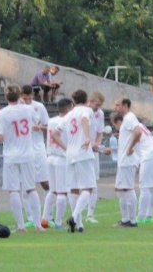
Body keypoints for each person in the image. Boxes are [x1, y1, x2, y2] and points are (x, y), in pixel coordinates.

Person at [0, 85, 43, 233]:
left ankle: (21, 225)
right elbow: (38, 120)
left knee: (14, 190)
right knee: (31, 188)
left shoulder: (2, 113)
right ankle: (38, 224)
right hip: (28, 153)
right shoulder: (28, 109)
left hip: (11, 155)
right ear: (19, 96)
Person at [59, 89, 95, 233]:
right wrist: (87, 137)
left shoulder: (68, 115)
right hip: (83, 153)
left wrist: (66, 147)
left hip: (70, 154)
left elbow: (56, 133)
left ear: (73, 101)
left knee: (73, 188)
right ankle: (74, 216)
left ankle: (79, 225)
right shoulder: (86, 110)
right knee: (88, 188)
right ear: (86, 100)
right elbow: (85, 119)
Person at [125, 101, 153, 225]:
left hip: (149, 155)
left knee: (145, 187)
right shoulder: (141, 125)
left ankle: (141, 216)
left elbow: (131, 146)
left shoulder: (132, 128)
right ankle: (149, 216)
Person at [20, 85, 50, 226]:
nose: (27, 101)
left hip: (39, 149)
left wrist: (40, 128)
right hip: (25, 149)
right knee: (26, 184)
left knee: (45, 182)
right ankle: (30, 217)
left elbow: (48, 125)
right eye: (24, 98)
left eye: (29, 98)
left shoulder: (39, 107)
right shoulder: (17, 109)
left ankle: (47, 214)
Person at [43, 98, 73, 229]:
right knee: (62, 192)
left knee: (53, 190)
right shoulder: (66, 121)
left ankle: (44, 218)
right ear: (67, 108)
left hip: (50, 156)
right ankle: (59, 222)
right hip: (61, 157)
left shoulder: (51, 121)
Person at [112, 99, 140, 227]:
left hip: (128, 160)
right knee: (120, 189)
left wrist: (130, 148)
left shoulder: (129, 117)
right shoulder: (126, 119)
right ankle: (126, 218)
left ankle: (132, 220)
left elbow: (138, 131)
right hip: (123, 161)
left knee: (127, 188)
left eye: (118, 105)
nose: (115, 107)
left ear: (125, 105)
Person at [85, 91, 105, 223]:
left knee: (93, 182)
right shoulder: (83, 112)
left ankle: (90, 214)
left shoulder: (100, 114)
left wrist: (97, 144)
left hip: (93, 151)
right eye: (96, 104)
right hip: (82, 150)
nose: (98, 107)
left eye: (100, 105)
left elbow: (100, 132)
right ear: (90, 101)